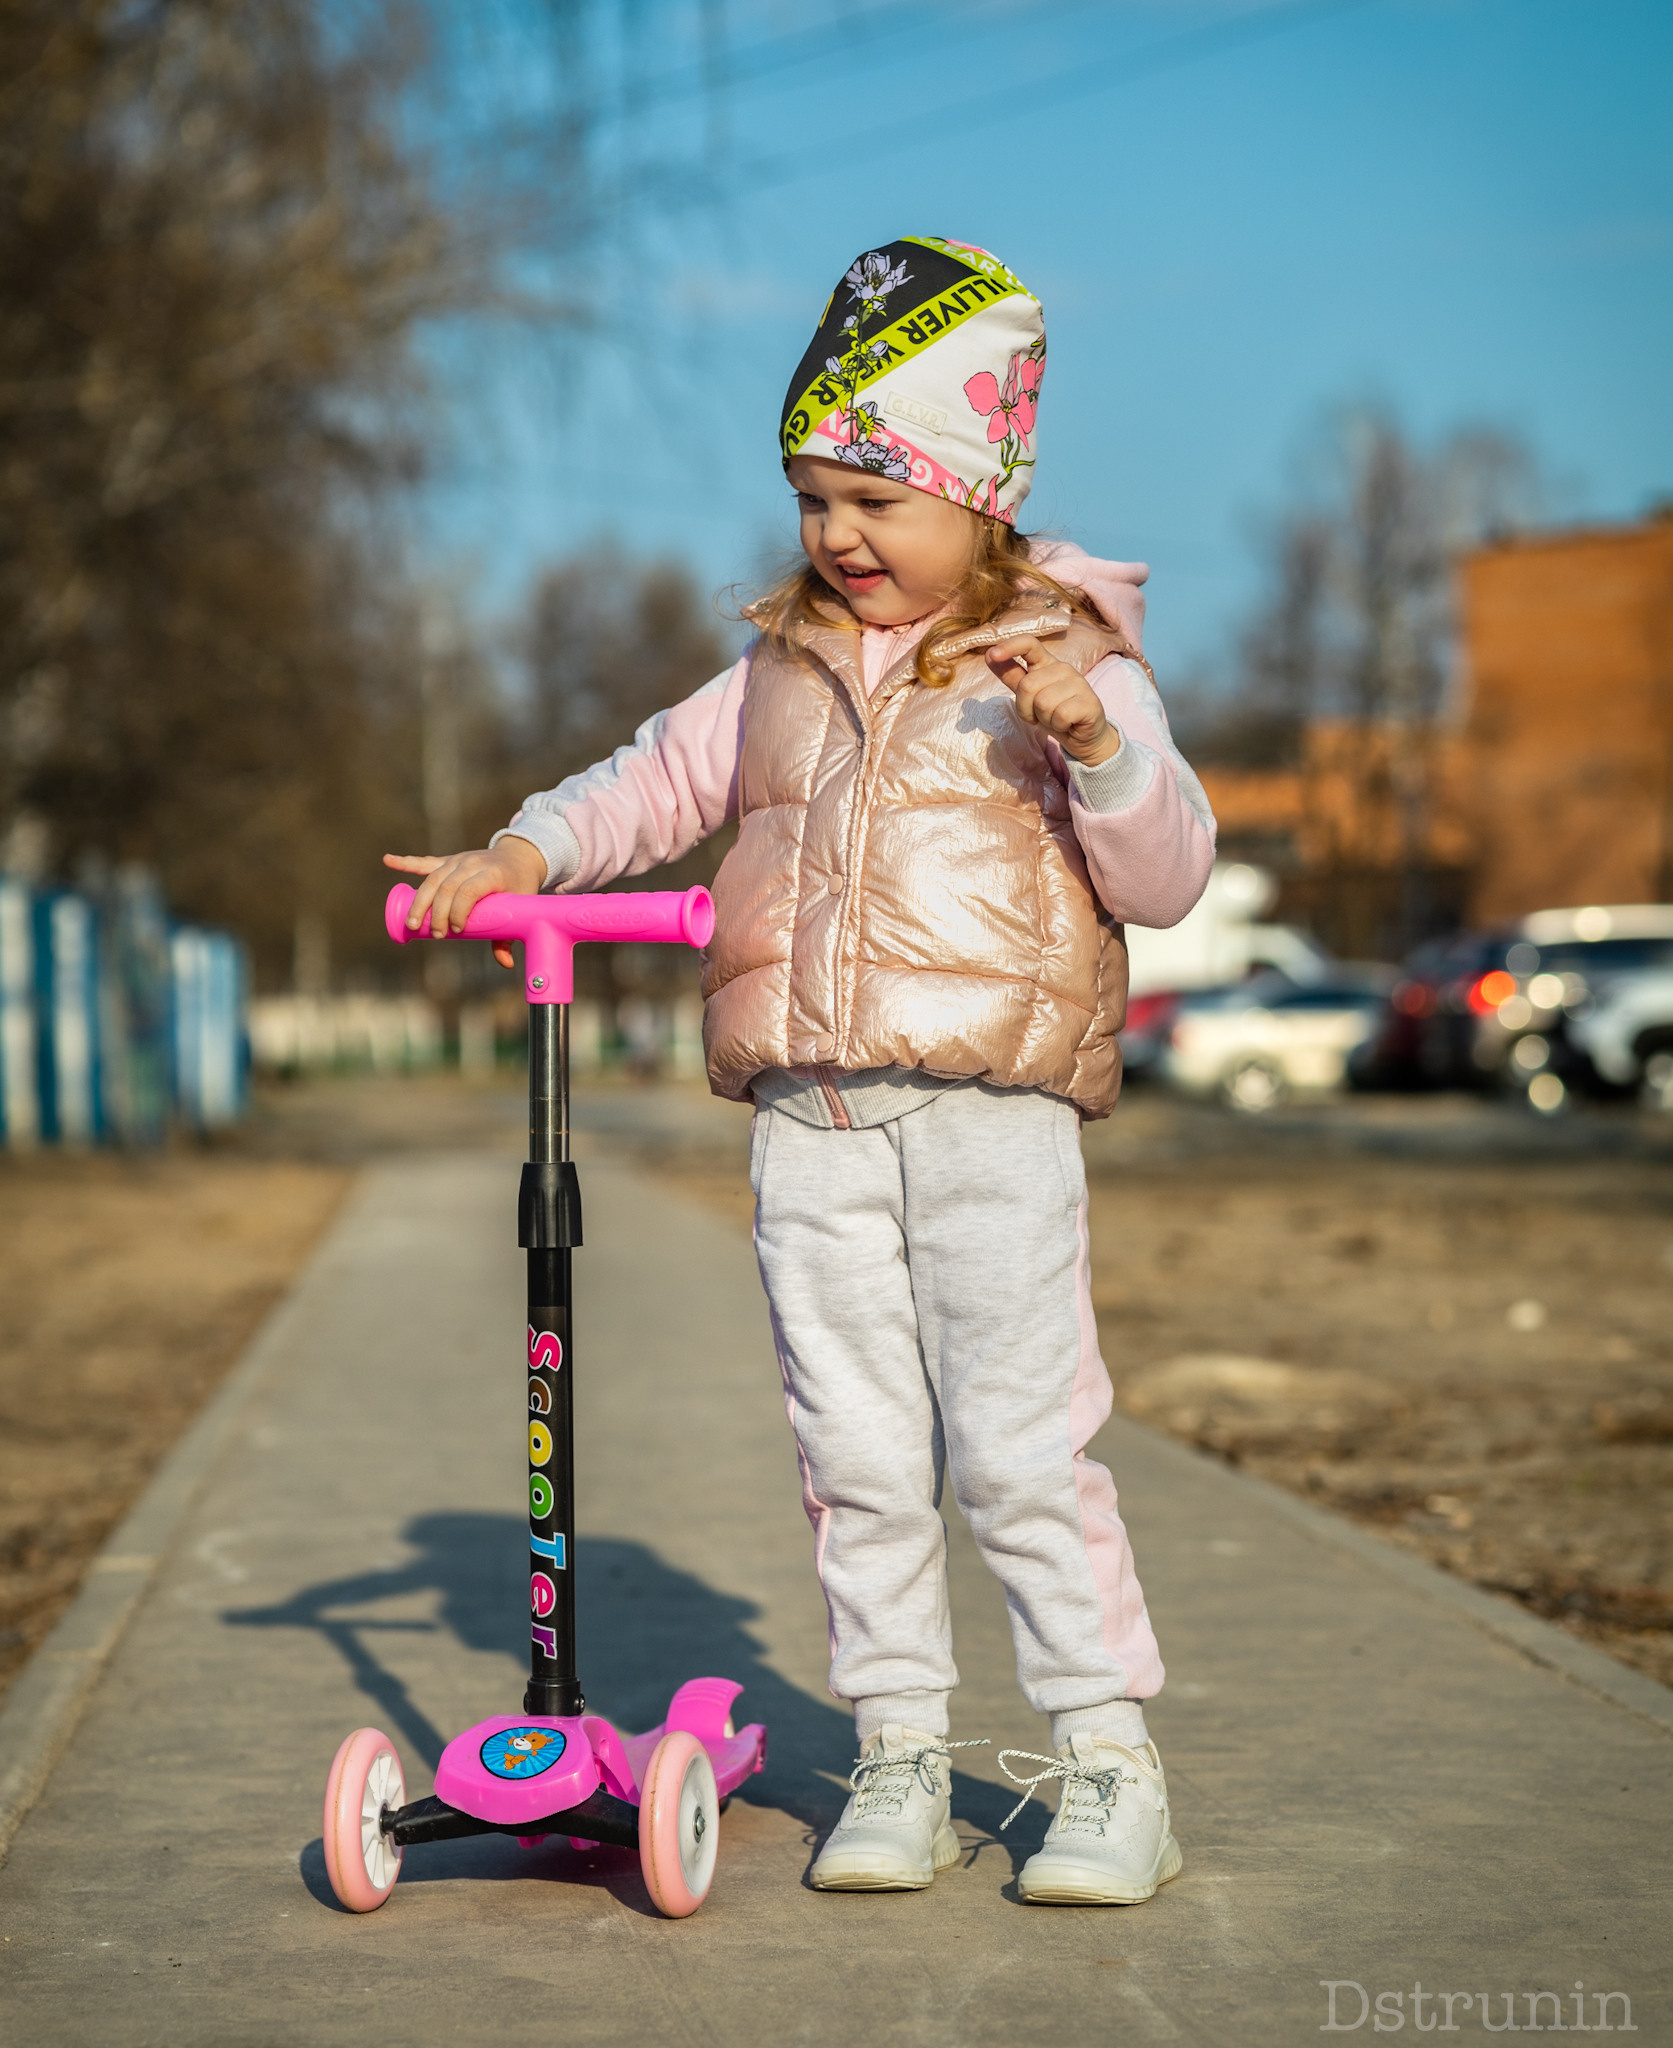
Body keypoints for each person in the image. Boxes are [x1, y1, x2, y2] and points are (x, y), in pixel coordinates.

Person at [387, 237, 1216, 1906]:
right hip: (810, 1123)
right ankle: (899, 1747)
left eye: (875, 501)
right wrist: (525, 852)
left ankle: (1109, 1764)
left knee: (1015, 1453)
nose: (839, 537)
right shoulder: (769, 671)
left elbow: (1167, 877)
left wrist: (1097, 743)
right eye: (813, 500)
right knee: (849, 1452)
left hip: (988, 1119)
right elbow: (643, 784)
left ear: (980, 497)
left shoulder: (1060, 671)